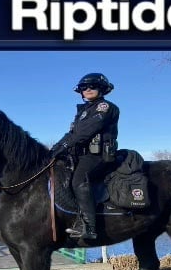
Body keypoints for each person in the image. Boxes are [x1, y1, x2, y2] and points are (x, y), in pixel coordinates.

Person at [49, 72, 119, 241]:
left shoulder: (105, 107)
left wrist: (65, 146)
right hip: (81, 155)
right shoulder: (83, 112)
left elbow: (86, 132)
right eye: (83, 87)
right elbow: (71, 133)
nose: (87, 89)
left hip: (98, 155)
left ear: (101, 89)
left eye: (92, 86)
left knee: (79, 180)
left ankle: (89, 227)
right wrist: (55, 149)